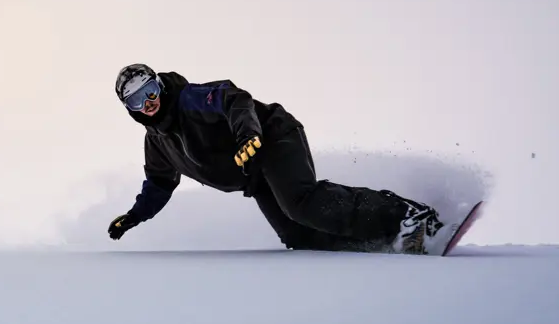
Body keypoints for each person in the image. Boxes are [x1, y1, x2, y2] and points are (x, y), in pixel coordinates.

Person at [107, 63, 448, 254]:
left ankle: (410, 217)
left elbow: (233, 100)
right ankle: (384, 242)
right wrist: (135, 217)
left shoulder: (190, 99)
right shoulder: (157, 144)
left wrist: (248, 135)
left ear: (159, 86)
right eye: (136, 100)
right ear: (130, 109)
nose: (148, 102)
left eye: (149, 91)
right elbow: (159, 184)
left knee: (301, 203)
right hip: (255, 177)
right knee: (298, 236)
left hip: (273, 138)